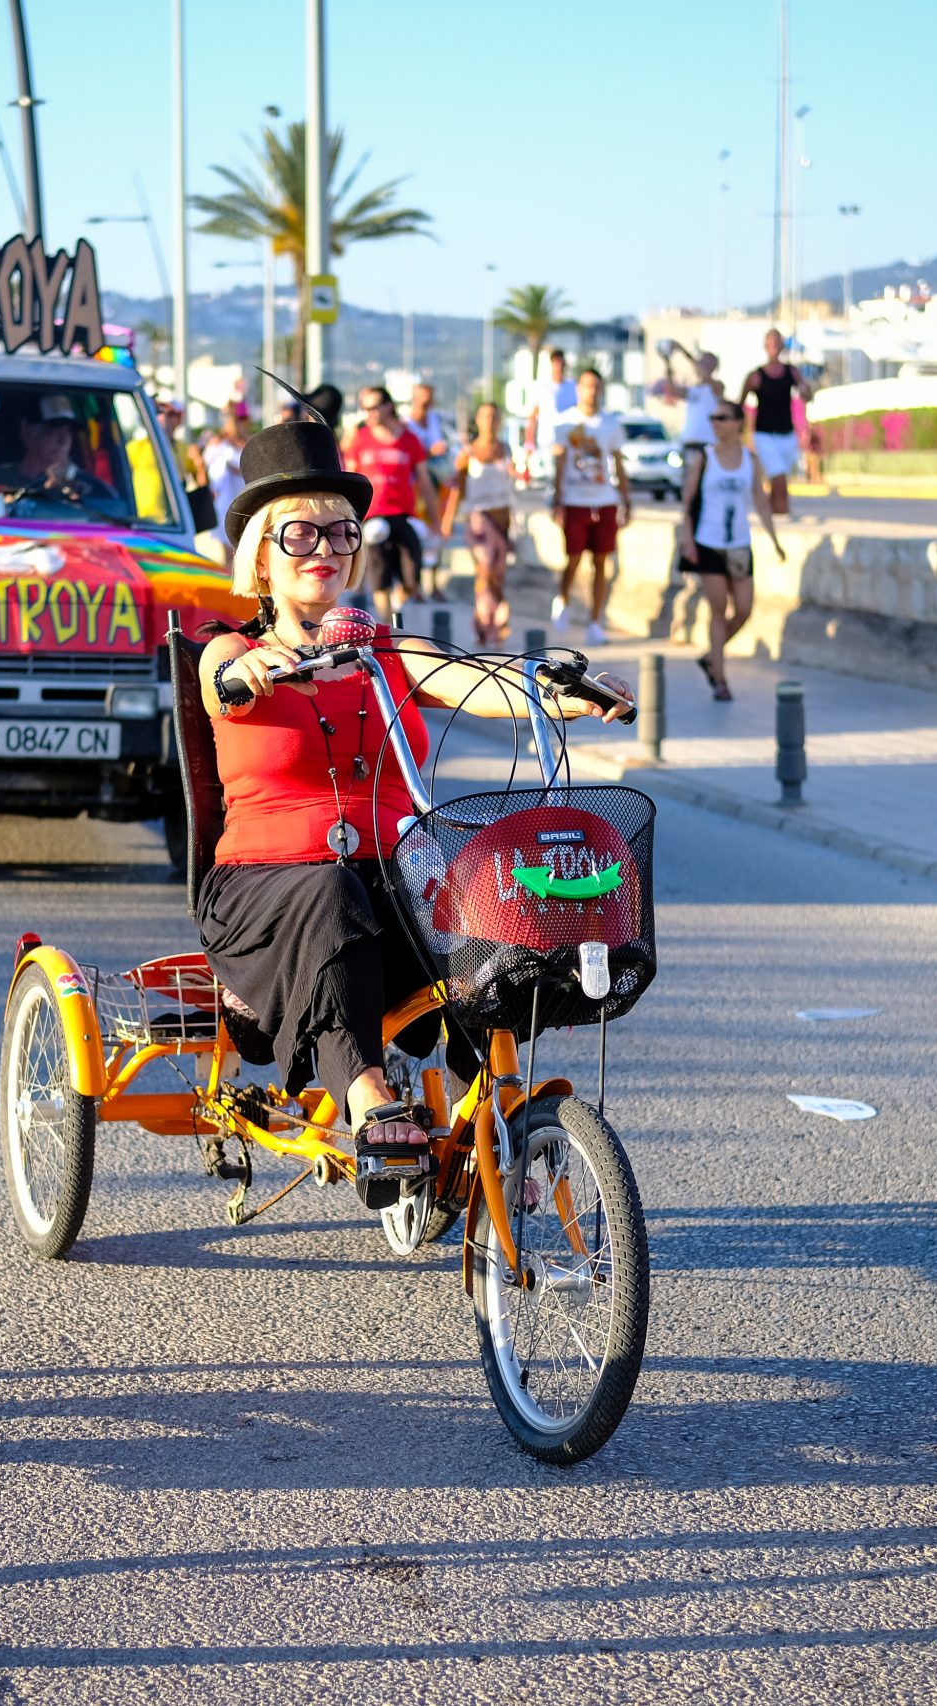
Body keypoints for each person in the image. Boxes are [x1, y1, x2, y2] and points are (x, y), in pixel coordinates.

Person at [194, 420, 629, 1208]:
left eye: (341, 531)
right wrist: (255, 670)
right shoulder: (231, 650)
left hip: (391, 886)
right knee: (332, 896)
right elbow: (219, 682)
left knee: (490, 897)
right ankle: (369, 1099)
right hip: (268, 892)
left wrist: (562, 690)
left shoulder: (384, 650)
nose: (324, 548)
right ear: (261, 554)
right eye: (299, 533)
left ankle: (490, 1126)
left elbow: (480, 682)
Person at [675, 398, 783, 702]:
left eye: (721, 418)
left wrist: (774, 539)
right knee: (718, 612)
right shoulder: (704, 458)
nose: (715, 423)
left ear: (738, 422)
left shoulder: (751, 460)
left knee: (745, 609)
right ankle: (720, 680)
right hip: (708, 542)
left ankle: (712, 655)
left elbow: (760, 501)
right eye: (713, 418)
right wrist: (687, 538)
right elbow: (687, 501)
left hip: (739, 544)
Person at [549, 366, 629, 645]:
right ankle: (563, 598)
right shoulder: (564, 423)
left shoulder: (610, 423)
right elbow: (559, 462)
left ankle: (595, 621)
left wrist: (625, 499)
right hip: (574, 500)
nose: (591, 391)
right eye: (586, 386)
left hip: (604, 499)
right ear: (579, 389)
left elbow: (619, 462)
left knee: (601, 562)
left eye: (596, 386)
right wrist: (556, 499)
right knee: (573, 558)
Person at [343, 385, 430, 616]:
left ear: (388, 406)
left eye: (373, 408)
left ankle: (399, 603)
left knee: (412, 578)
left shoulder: (409, 440)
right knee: (380, 580)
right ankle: (388, 628)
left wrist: (437, 519)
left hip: (402, 515)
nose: (368, 414)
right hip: (372, 518)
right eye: (365, 409)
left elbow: (424, 481)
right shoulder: (360, 439)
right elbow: (350, 480)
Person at [444, 402, 520, 646]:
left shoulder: (506, 449)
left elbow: (513, 480)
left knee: (496, 572)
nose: (489, 420)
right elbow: (457, 488)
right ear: (477, 420)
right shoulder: (467, 452)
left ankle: (486, 621)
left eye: (494, 416)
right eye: (485, 416)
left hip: (502, 518)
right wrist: (446, 520)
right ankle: (494, 615)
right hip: (477, 518)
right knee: (485, 566)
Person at [741, 328, 814, 516]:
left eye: (777, 343)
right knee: (779, 476)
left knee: (778, 480)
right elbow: (740, 404)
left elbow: (806, 395)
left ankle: (773, 514)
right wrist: (744, 433)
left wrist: (806, 390)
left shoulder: (791, 372)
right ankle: (783, 512)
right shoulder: (755, 376)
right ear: (765, 347)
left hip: (786, 434)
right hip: (764, 434)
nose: (774, 347)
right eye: (771, 343)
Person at [403, 379, 454, 587]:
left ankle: (432, 583)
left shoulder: (434, 420)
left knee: (439, 529)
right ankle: (413, 584)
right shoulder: (406, 426)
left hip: (436, 484)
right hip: (416, 488)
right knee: (417, 535)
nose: (426, 406)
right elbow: (409, 457)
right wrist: (430, 452)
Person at [203, 413, 247, 560]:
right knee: (227, 544)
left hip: (243, 497)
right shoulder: (219, 444)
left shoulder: (247, 442)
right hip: (225, 499)